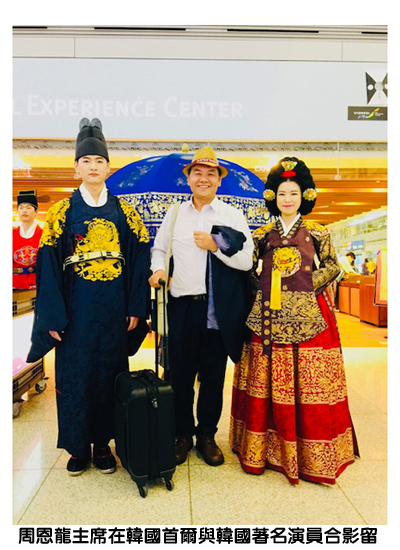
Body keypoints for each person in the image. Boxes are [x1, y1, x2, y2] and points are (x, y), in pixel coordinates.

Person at [27, 118, 150, 476]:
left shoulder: (125, 212)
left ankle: (103, 444)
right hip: (75, 311)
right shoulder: (62, 213)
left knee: (111, 375)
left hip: (114, 311)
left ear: (108, 167)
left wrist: (135, 307)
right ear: (76, 167)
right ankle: (78, 446)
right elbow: (48, 265)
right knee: (75, 377)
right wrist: (51, 316)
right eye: (86, 161)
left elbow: (139, 259)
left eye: (99, 161)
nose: (93, 167)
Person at [230, 157, 359, 484]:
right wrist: (262, 286)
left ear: (304, 197)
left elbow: (333, 266)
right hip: (268, 314)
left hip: (310, 314)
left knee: (310, 382)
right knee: (267, 379)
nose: (287, 199)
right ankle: (265, 449)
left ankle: (311, 452)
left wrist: (305, 283)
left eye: (294, 193)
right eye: (282, 193)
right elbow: (247, 267)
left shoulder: (318, 231)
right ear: (273, 197)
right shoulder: (262, 234)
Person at [149, 146, 253, 466]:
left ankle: (207, 435)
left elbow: (247, 261)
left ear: (219, 180)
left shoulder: (231, 215)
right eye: (198, 173)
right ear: (189, 178)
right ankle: (182, 434)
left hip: (217, 311)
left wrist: (215, 246)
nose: (204, 179)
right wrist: (159, 269)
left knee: (212, 377)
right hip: (181, 306)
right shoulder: (174, 214)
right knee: (179, 376)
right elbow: (159, 249)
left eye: (211, 174)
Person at [13, 190, 43, 289]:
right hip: (14, 282)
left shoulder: (44, 235)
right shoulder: (11, 234)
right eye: (21, 208)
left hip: (37, 281)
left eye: (28, 208)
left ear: (36, 212)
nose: (24, 211)